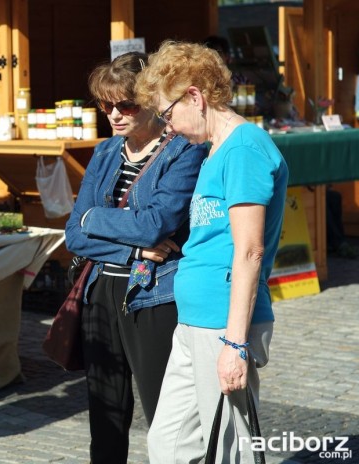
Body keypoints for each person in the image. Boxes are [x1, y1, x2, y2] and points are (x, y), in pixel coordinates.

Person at [135, 41, 288, 463]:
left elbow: (250, 250)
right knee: (167, 446)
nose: (168, 127)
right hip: (194, 320)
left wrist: (234, 345)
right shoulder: (215, 151)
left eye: (168, 114)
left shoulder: (243, 149)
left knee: (230, 450)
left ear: (195, 96)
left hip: (222, 323)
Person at [64, 52, 208, 464]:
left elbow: (155, 225)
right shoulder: (106, 152)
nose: (114, 114)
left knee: (165, 414)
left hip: (150, 292)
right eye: (106, 105)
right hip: (99, 291)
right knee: (105, 417)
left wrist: (98, 218)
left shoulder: (183, 151)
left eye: (125, 104)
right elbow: (75, 233)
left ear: (150, 100)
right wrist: (129, 246)